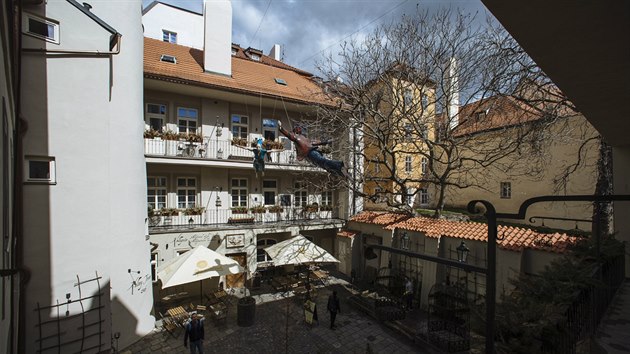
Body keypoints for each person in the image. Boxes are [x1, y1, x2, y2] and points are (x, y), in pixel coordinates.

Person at [278, 121, 348, 178]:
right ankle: (337, 171)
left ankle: (339, 166)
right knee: (323, 164)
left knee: (322, 162)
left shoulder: (297, 137)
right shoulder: (305, 139)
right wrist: (327, 141)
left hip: (310, 153)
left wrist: (281, 128)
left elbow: (289, 135)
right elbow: (316, 142)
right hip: (314, 151)